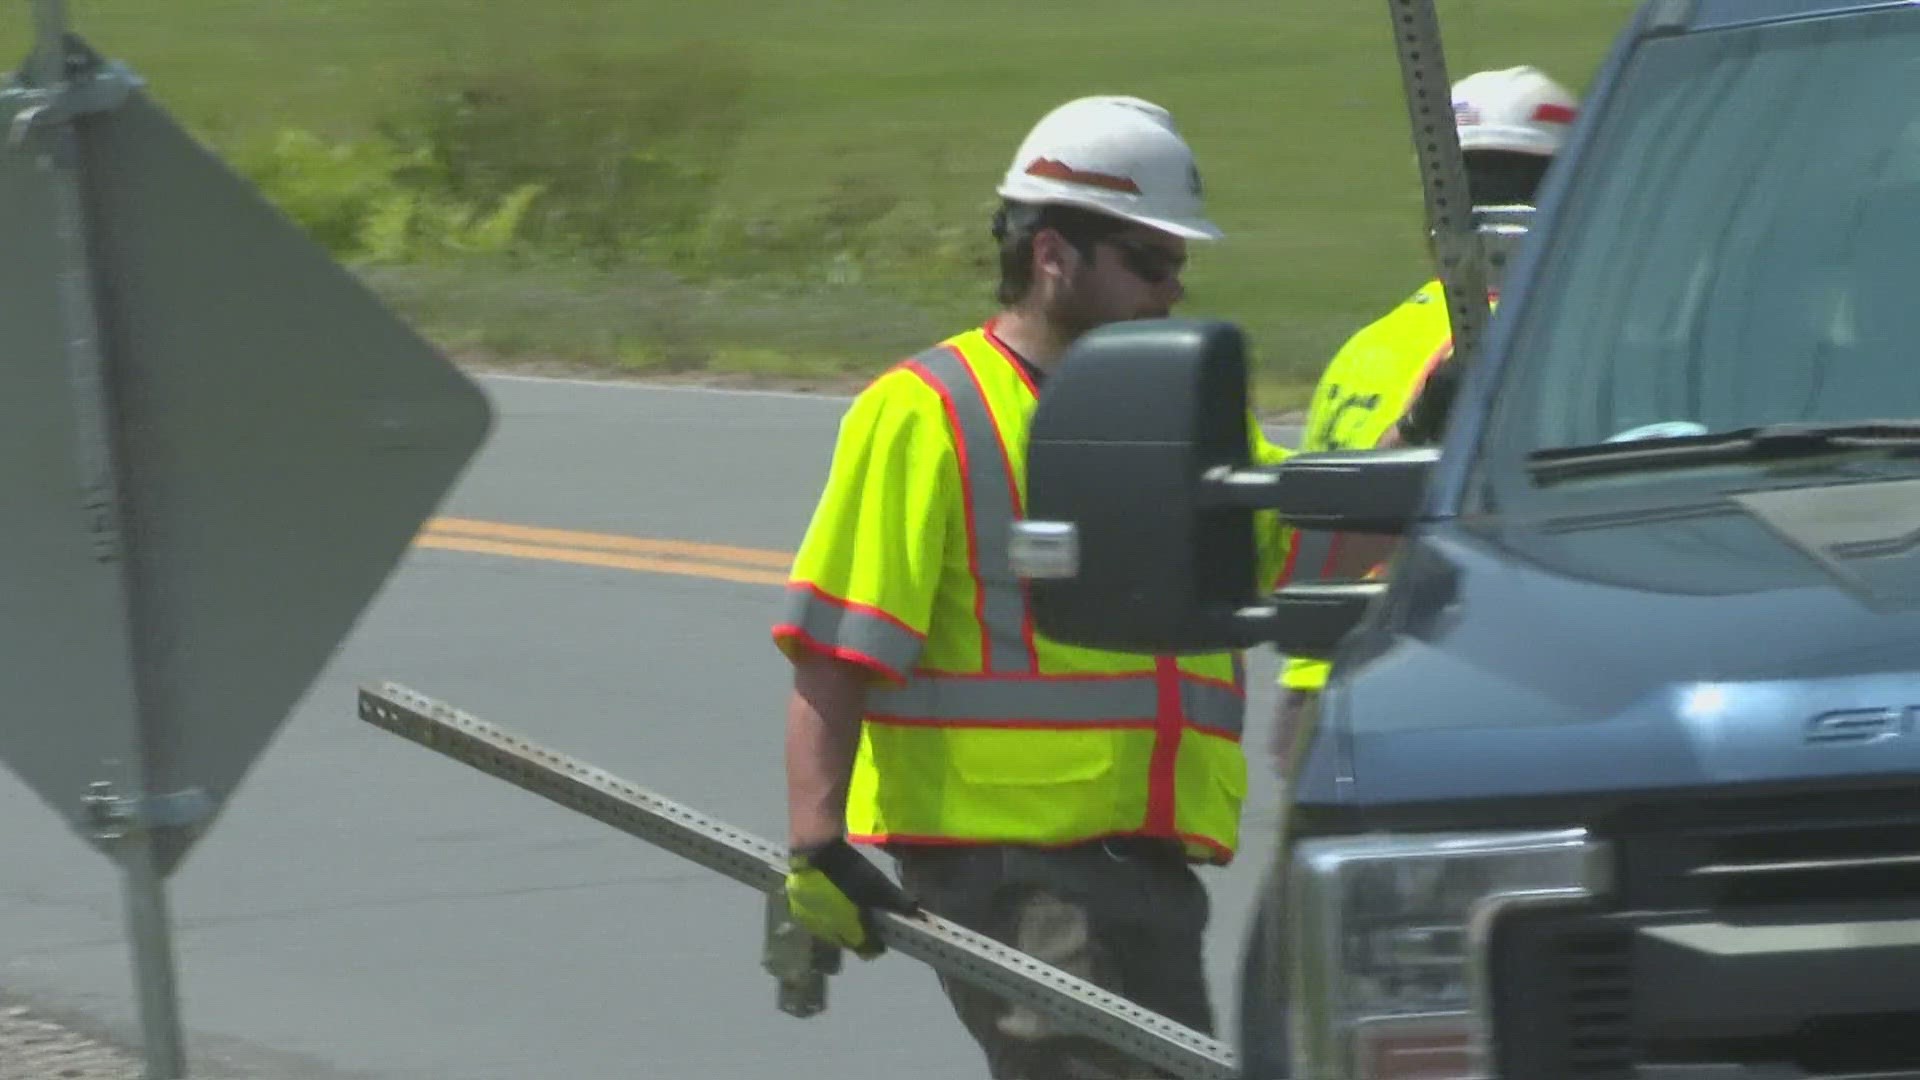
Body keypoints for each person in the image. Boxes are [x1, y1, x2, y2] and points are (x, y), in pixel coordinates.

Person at [772, 94, 1292, 1079]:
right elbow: (838, 643)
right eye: (1149, 261)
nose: (1173, 289)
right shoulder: (930, 411)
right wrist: (817, 843)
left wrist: (1420, 442)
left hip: (1149, 863)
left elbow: (1298, 548)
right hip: (1012, 871)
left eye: (1180, 264)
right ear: (1053, 254)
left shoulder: (1173, 413)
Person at [1235, 65, 1580, 1080]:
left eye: (1510, 182)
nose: (1496, 210)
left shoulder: (1370, 343)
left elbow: (1314, 539)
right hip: (1457, 698)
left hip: (1323, 695)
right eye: (1487, 184)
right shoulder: (1549, 337)